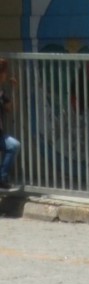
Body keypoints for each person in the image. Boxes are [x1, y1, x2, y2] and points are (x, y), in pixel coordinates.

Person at [0, 58, 21, 191]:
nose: (6, 75)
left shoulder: (1, 93)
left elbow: (10, 108)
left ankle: (2, 178)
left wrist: (14, 89)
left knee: (13, 145)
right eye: (5, 73)